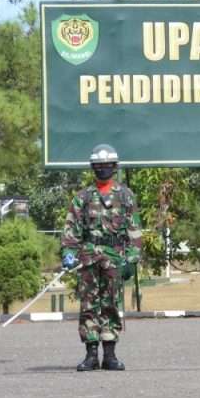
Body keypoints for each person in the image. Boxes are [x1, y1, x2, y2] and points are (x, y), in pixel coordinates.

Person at [60, 144, 142, 371]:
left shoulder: (125, 195)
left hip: (114, 257)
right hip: (88, 257)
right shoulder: (82, 197)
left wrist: (132, 259)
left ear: (114, 167)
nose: (102, 169)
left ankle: (110, 355)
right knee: (89, 306)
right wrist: (68, 253)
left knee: (112, 304)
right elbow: (71, 229)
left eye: (106, 165)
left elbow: (134, 230)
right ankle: (90, 355)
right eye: (98, 166)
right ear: (92, 167)